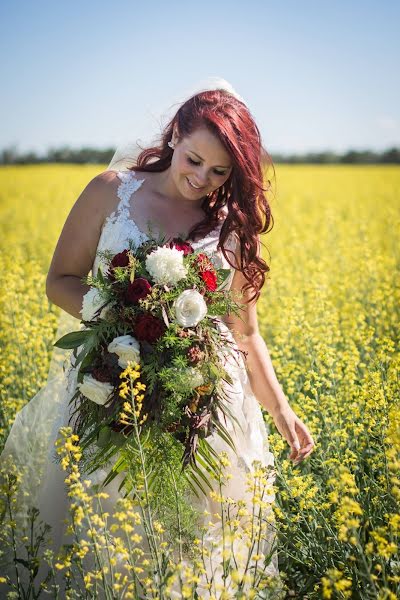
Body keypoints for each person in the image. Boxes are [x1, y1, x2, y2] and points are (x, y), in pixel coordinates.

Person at [0, 79, 314, 597]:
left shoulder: (228, 223)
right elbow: (60, 280)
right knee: (104, 530)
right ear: (174, 137)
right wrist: (118, 320)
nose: (201, 180)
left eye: (219, 172)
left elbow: (245, 332)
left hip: (203, 398)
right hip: (111, 383)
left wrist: (282, 412)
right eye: (193, 160)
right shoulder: (110, 190)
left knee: (195, 543)